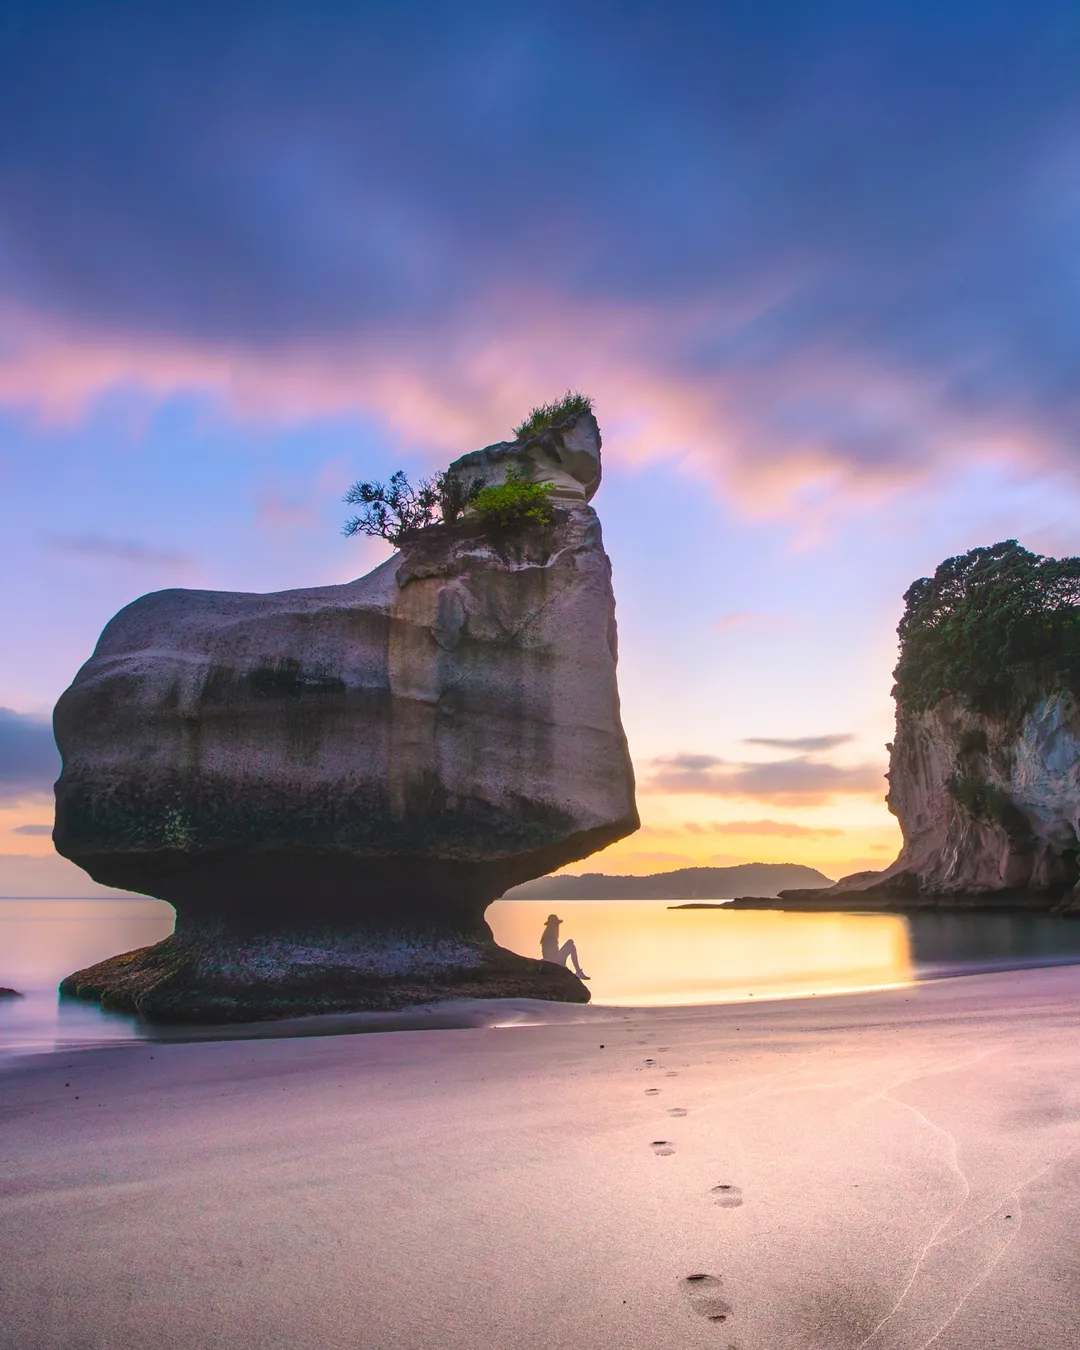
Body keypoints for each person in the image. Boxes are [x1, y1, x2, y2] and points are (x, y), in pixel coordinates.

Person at [540, 914, 589, 979]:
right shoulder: (549, 936)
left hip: (554, 959)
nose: (557, 926)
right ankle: (578, 971)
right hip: (553, 961)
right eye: (556, 924)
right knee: (572, 947)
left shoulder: (550, 934)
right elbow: (549, 954)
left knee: (570, 941)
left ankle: (578, 971)